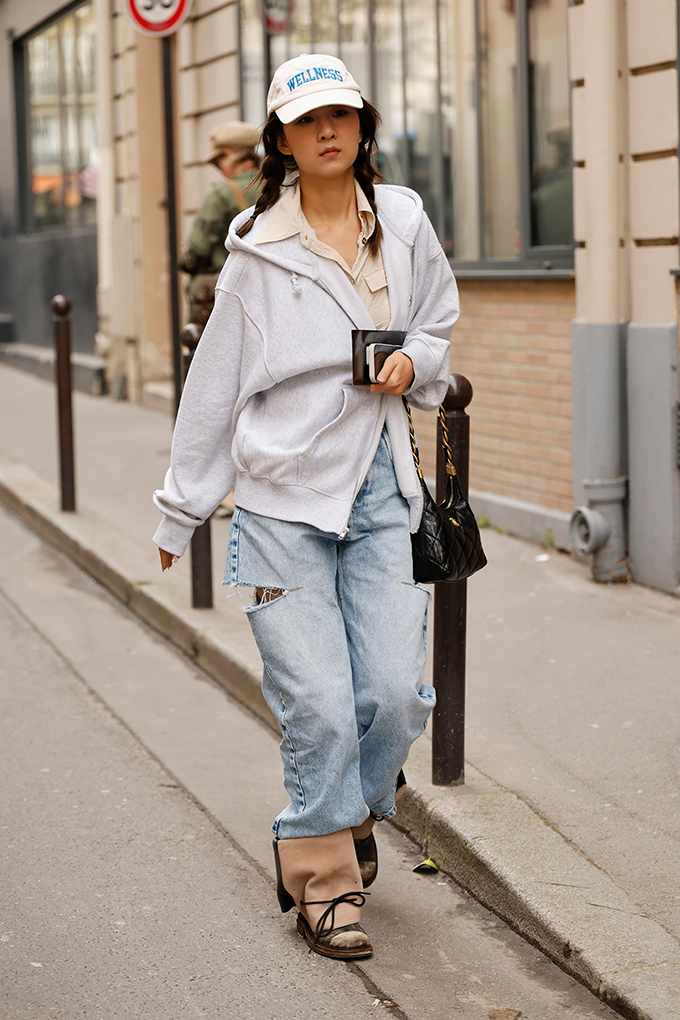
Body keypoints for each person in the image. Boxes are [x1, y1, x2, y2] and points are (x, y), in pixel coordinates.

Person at [152, 52, 460, 961]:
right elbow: (214, 385)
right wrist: (183, 507)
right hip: (281, 498)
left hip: (381, 485)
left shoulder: (400, 221)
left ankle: (340, 816)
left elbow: (438, 319)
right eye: (307, 119)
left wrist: (419, 361)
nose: (327, 131)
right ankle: (327, 878)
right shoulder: (257, 247)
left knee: (396, 697)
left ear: (362, 127)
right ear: (282, 140)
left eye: (342, 115)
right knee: (319, 703)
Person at [178, 121, 261, 329]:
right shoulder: (278, 185)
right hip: (265, 288)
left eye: (219, 161)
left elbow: (198, 249)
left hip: (226, 290)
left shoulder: (220, 194)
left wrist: (185, 262)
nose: (220, 169)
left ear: (231, 157)